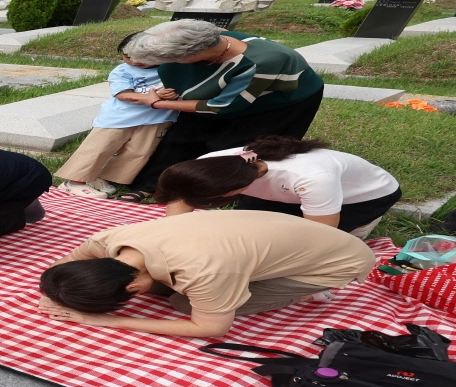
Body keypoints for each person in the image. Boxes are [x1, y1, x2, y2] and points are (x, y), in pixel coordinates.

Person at [38, 210, 377, 338]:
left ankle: (303, 291)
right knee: (186, 294)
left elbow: (211, 328)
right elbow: (66, 263)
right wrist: (59, 290)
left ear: (135, 288)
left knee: (184, 306)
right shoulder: (109, 240)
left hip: (336, 261)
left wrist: (108, 322)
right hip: (287, 236)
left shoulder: (203, 270)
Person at [121, 20, 327, 194]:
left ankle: (215, 191)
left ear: (190, 56)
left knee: (233, 148)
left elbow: (220, 107)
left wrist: (156, 103)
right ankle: (155, 185)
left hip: (277, 101)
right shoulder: (195, 37)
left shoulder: (262, 62)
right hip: (215, 95)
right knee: (180, 138)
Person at [156, 136, 403, 236]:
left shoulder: (311, 178)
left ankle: (362, 228)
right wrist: (170, 236)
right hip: (285, 192)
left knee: (328, 245)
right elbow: (181, 200)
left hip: (362, 196)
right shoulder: (210, 165)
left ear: (230, 192)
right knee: (242, 231)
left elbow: (318, 234)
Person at [53, 33, 178, 198]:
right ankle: (74, 182)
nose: (134, 61)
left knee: (138, 152)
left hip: (158, 119)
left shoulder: (171, 68)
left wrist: (171, 95)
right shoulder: (122, 70)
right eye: (127, 56)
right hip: (119, 117)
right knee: (99, 148)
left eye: (142, 57)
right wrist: (150, 98)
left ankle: (100, 177)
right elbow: (123, 94)